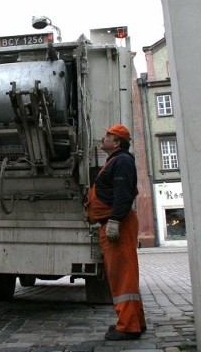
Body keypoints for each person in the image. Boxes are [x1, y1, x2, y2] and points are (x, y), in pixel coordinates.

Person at [86, 125, 146, 341]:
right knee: (126, 273)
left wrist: (114, 221)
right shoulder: (117, 160)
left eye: (108, 136)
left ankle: (128, 326)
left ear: (117, 142)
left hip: (118, 224)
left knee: (122, 275)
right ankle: (135, 321)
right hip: (117, 222)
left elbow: (123, 194)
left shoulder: (121, 161)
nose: (103, 138)